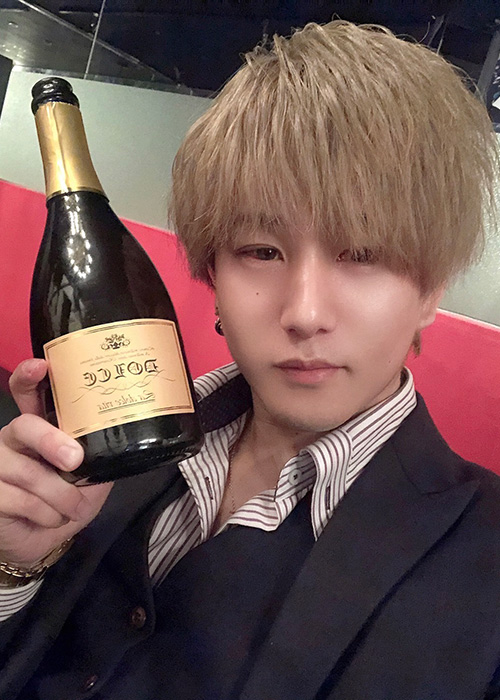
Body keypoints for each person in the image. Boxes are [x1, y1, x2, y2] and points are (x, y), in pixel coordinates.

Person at [0, 19, 499, 700]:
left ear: (430, 291)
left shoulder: (483, 557)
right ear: (213, 274)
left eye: (363, 254)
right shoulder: (110, 445)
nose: (304, 312)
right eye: (261, 252)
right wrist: (15, 567)